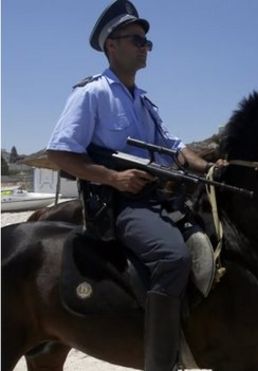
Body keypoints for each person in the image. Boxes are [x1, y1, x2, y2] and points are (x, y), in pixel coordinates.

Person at [46, 2, 221, 369]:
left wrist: (209, 167)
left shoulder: (145, 102)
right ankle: (161, 363)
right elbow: (61, 153)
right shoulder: (92, 94)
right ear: (112, 45)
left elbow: (175, 148)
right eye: (137, 40)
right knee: (173, 258)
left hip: (156, 196)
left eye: (147, 42)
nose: (145, 46)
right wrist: (113, 177)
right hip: (120, 202)